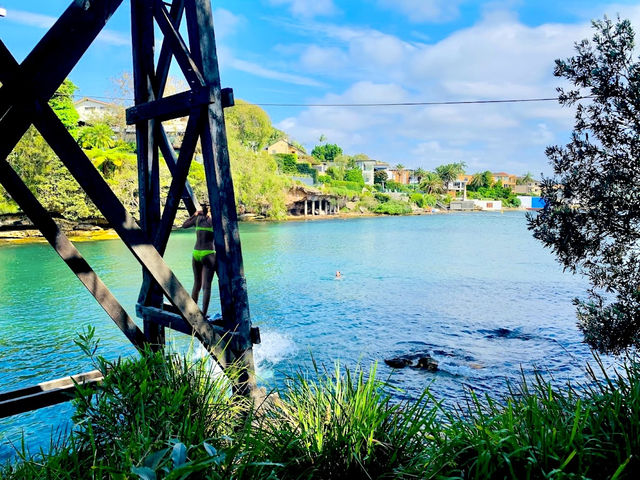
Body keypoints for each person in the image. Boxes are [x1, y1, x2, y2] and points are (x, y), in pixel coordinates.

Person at [182, 203, 217, 316]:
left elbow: (184, 225)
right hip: (208, 254)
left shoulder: (197, 218)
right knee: (206, 287)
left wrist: (194, 215)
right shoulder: (213, 220)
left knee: (196, 284)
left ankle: (193, 311)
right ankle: (204, 313)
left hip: (196, 252)